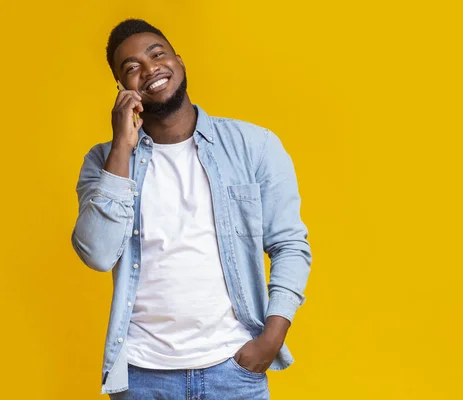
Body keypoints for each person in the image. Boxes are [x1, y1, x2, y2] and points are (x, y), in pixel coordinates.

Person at [71, 18, 312, 399]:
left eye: (157, 54)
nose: (150, 69)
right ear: (122, 89)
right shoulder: (103, 162)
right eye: (131, 68)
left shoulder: (254, 146)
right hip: (141, 377)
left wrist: (272, 337)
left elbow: (290, 246)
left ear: (180, 62)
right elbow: (98, 254)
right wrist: (121, 147)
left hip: (234, 372)